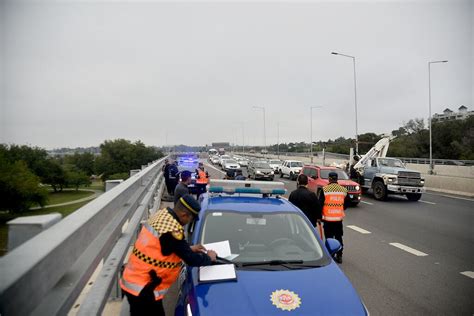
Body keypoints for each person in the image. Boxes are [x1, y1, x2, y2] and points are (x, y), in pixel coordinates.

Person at [120, 195, 217, 316]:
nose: (188, 223)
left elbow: (165, 246)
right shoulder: (172, 231)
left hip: (136, 279)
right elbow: (191, 260)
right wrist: (209, 257)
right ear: (184, 215)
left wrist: (188, 248)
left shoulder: (162, 215)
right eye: (190, 220)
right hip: (144, 288)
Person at [319, 171, 347, 264]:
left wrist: (319, 217)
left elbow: (320, 204)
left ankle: (330, 255)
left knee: (329, 238)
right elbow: (346, 204)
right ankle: (339, 256)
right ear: (337, 179)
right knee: (339, 237)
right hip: (338, 219)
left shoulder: (325, 189)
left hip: (327, 219)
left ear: (329, 179)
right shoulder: (343, 190)